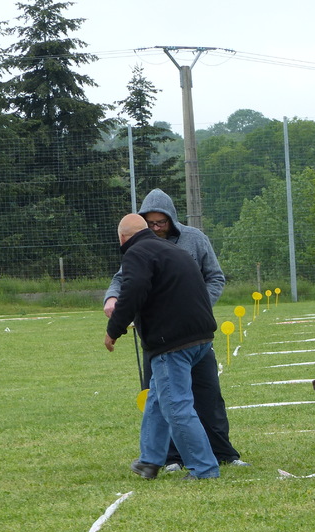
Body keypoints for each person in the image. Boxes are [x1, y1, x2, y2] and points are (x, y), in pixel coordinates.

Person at [103, 189, 248, 470]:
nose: (157, 228)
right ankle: (153, 459)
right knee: (158, 396)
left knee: (178, 404)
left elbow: (133, 290)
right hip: (197, 333)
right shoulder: (167, 250)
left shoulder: (154, 248)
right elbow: (122, 281)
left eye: (162, 223)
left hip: (172, 337)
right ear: (144, 225)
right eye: (152, 223)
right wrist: (112, 296)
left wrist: (114, 328)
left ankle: (206, 466)